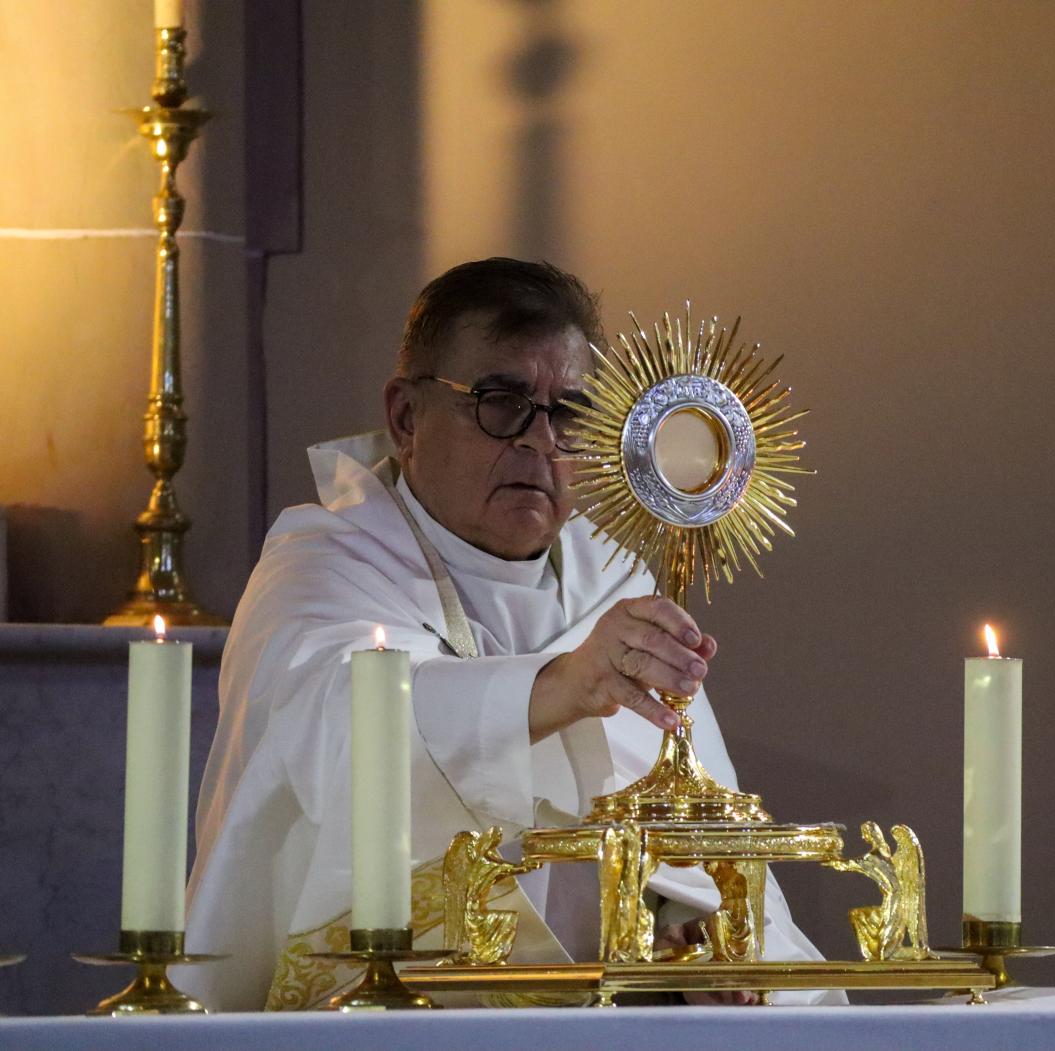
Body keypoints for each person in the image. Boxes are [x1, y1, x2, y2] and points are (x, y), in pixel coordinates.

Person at [180, 258, 840, 1009]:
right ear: (406, 417)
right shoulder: (325, 561)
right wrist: (562, 684)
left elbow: (687, 840)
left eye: (570, 413)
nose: (540, 442)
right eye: (501, 403)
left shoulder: (614, 581)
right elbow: (336, 729)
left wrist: (685, 935)